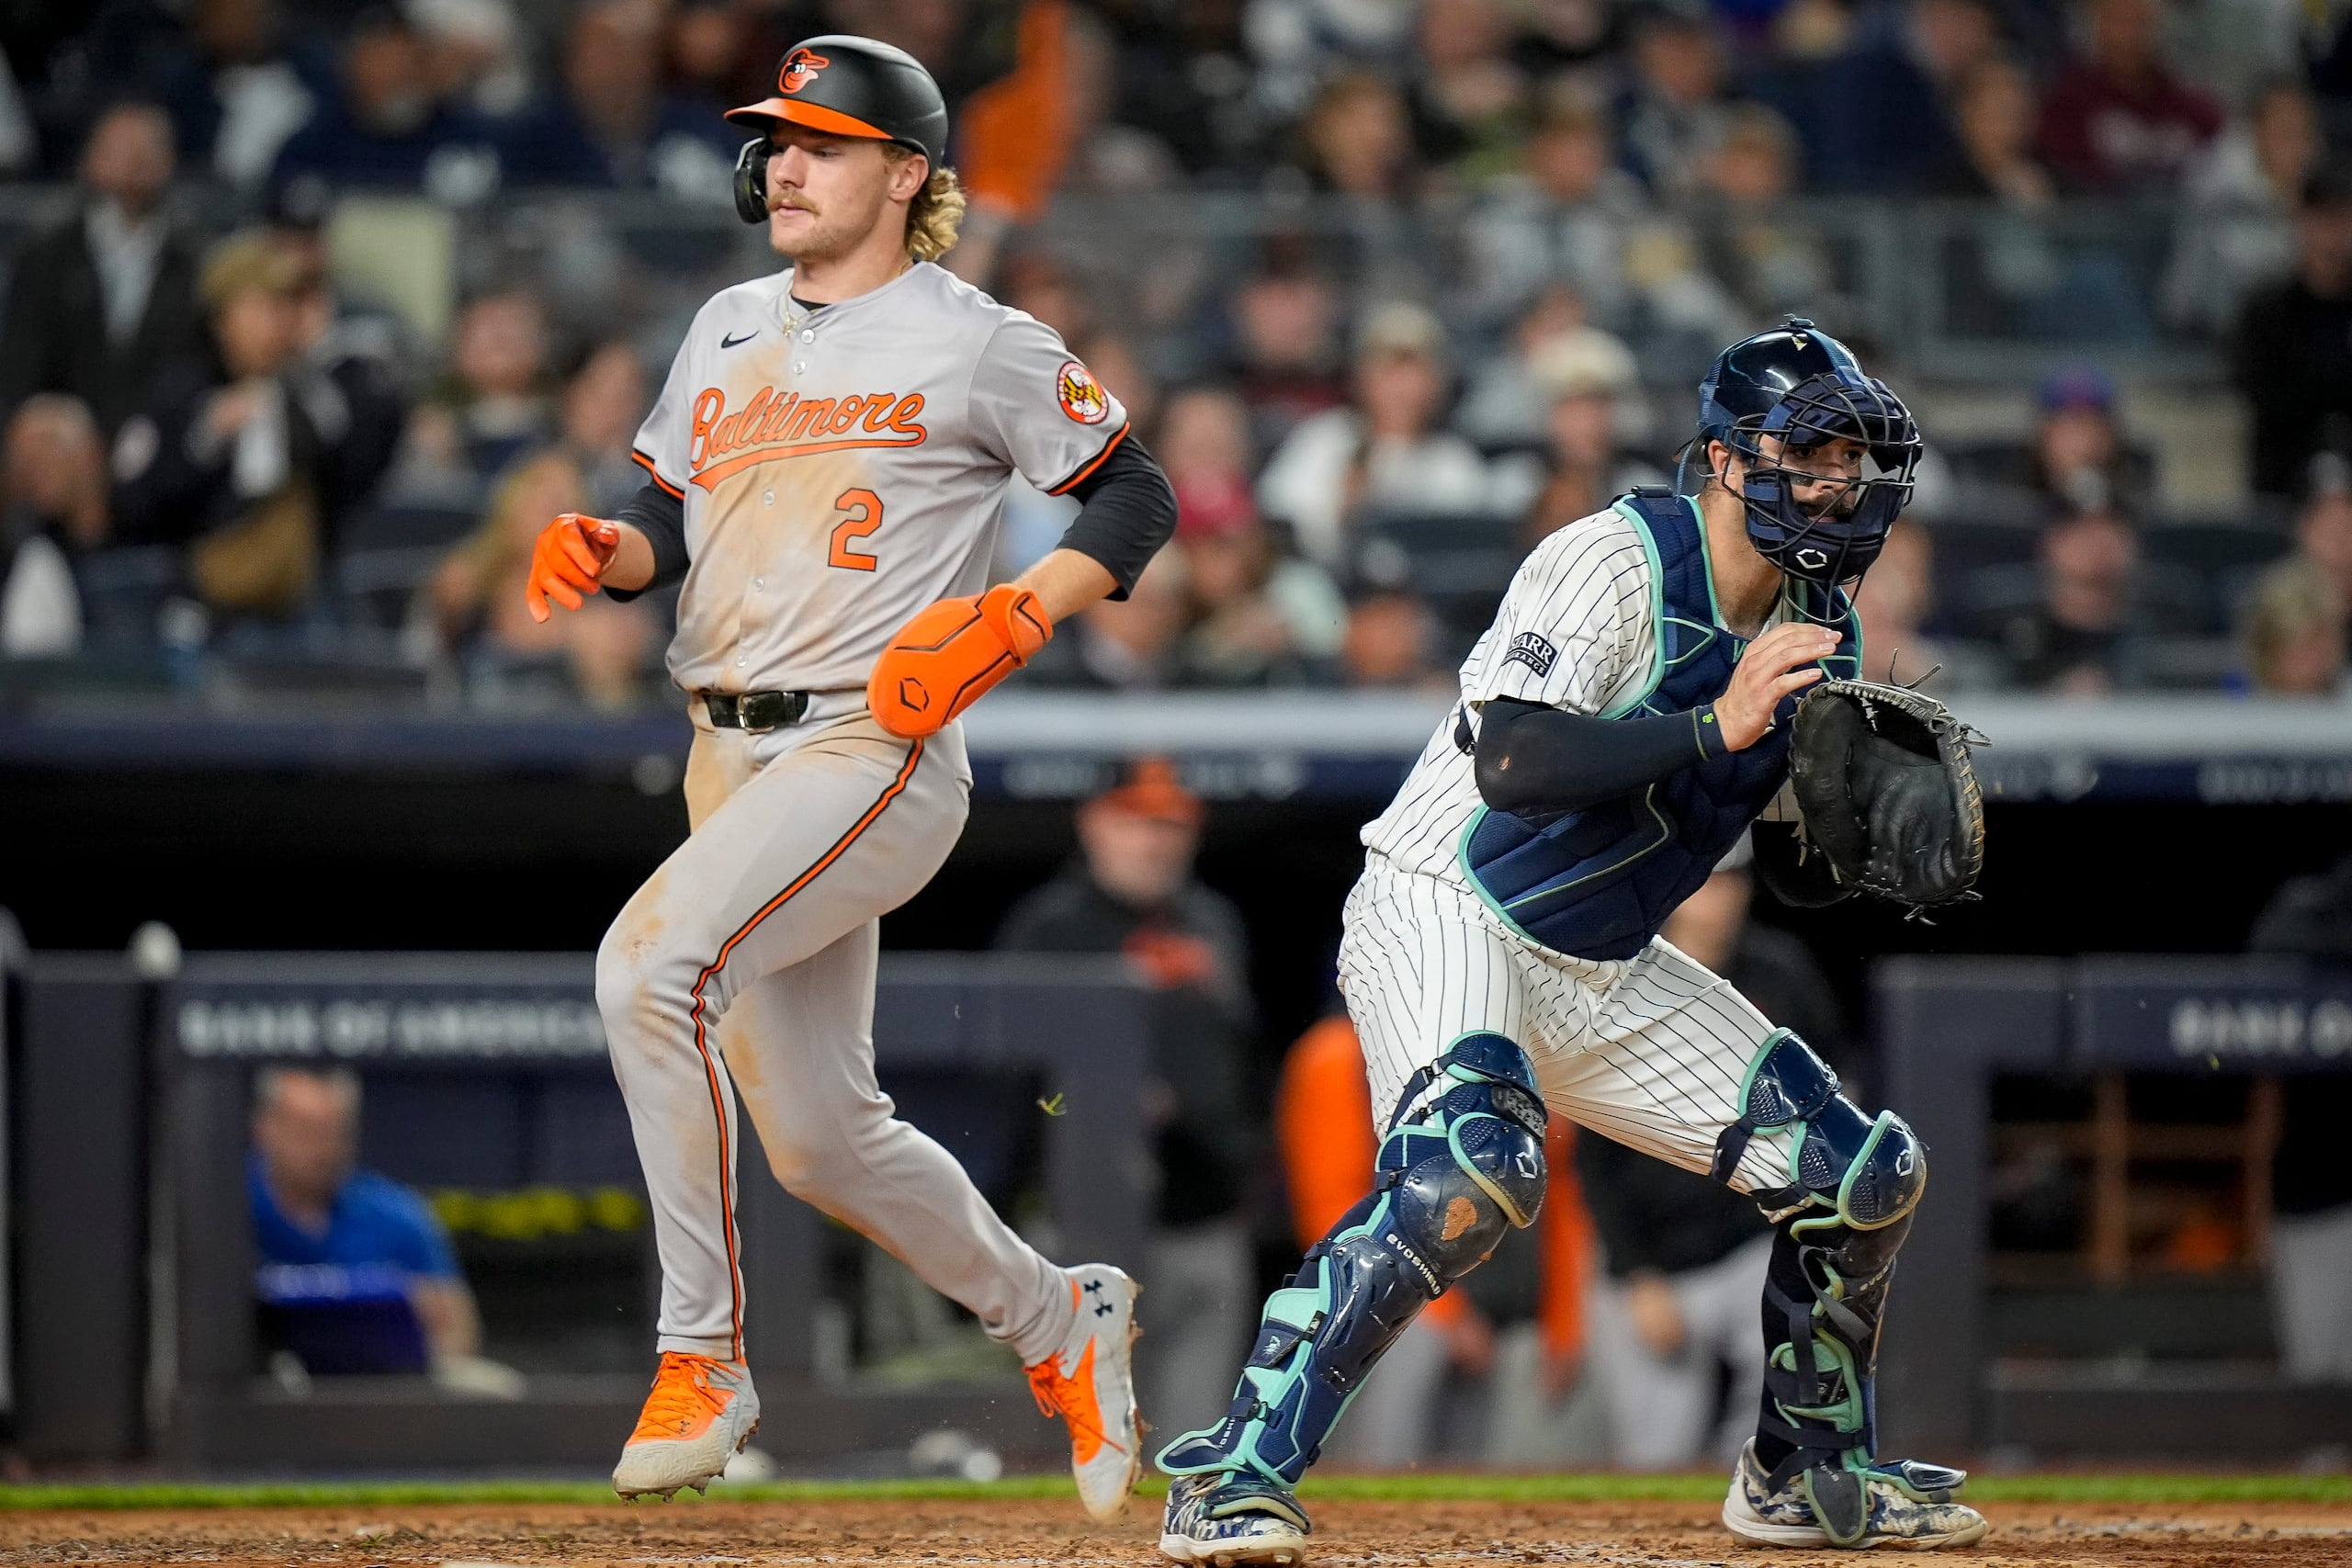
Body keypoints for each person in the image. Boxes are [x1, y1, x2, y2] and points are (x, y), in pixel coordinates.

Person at [1155, 321, 1986, 1562]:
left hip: (1599, 954)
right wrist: (1718, 723)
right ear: (1723, 455)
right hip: (1447, 898)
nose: (1835, 482)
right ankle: (1232, 1467)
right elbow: (1515, 761)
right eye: (1810, 450)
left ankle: (1801, 1468)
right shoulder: (1609, 559)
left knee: (1859, 1173)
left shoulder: (1827, 627)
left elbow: (1775, 856)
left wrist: (1857, 834)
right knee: (1467, 1173)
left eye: (1852, 458)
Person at [520, 37, 1175, 1515]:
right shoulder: (727, 323)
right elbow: (663, 515)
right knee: (820, 1135)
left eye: (820, 139)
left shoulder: (978, 334)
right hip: (722, 746)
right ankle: (1057, 1317)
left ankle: (703, 1356)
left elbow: (1136, 490)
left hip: (868, 736)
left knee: (644, 969)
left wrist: (1011, 615)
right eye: (777, 139)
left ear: (906, 171)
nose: (786, 162)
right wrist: (607, 550)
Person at [993, 761, 1259, 1444]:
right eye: (1138, 822)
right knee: (1079, 1436)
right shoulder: (1051, 927)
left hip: (1204, 1215)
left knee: (1192, 1436)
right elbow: (1015, 1084)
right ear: (1096, 825)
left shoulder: (1214, 920)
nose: (1156, 841)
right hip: (1086, 1219)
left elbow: (1244, 1063)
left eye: (1171, 824)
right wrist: (1092, 1106)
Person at [1579, 841, 1848, 1471]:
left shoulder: (1781, 974)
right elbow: (1593, 1158)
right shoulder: (1621, 978)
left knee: (1800, 1348)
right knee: (1657, 1452)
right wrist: (1636, 1273)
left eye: (1730, 881)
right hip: (1651, 1255)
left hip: (1752, 1236)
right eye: (1704, 881)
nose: (1717, 898)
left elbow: (1838, 1093)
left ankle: (1771, 1488)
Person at [110, 231, 333, 620]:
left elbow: (348, 474)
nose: (278, 322)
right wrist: (205, 439)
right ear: (223, 314)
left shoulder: (304, 390)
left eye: (286, 308)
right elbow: (132, 503)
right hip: (194, 602)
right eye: (264, 306)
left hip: (292, 606)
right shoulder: (182, 391)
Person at [248, 1066, 483, 1370]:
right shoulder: (222, 1207)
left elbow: (460, 1331)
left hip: (380, 1388)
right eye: (306, 1131)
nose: (324, 1150)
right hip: (256, 1389)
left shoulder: (398, 1214)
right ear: (265, 1128)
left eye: (335, 1133)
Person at [0, 101, 206, 440]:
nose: (134, 160)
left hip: (166, 443)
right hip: (60, 442)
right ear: (90, 158)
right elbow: (22, 366)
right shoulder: (46, 257)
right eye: (121, 148)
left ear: (169, 162)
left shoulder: (192, 261)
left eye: (147, 149)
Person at [1255, 301, 1496, 571]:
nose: (1404, 388)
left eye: (1417, 372)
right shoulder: (1324, 440)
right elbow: (1278, 524)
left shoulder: (1453, 460)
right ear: (1362, 378)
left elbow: (1467, 551)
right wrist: (1340, 507)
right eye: (1390, 371)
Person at [2233, 164, 2352, 500]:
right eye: (2322, 217)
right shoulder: (2267, 310)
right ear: (2301, 221)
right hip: (2283, 485)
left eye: (2343, 216)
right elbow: (2264, 395)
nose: (2333, 231)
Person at [2035, 0, 2221, 195]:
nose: (2129, 35)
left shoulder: (2195, 108)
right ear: (2095, 25)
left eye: (2140, 21)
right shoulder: (2065, 104)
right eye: (2118, 21)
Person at [0, 395, 109, 657]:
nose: (31, 470)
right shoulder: (28, 552)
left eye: (46, 451)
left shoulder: (148, 520)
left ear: (90, 454)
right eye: (23, 461)